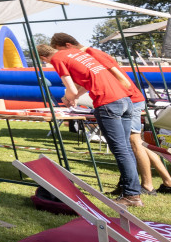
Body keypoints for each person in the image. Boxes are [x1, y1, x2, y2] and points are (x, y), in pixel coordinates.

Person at [43, 34, 141, 207]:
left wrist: (67, 99)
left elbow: (71, 89)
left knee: (120, 149)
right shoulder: (80, 54)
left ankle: (132, 195)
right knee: (125, 147)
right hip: (124, 100)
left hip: (108, 102)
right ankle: (129, 189)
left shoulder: (58, 58)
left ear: (44, 57)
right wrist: (74, 96)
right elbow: (85, 84)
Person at [82, 42, 171, 195]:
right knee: (138, 144)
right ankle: (167, 182)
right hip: (132, 98)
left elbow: (116, 80)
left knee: (134, 144)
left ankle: (147, 186)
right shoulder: (97, 56)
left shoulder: (92, 55)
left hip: (129, 99)